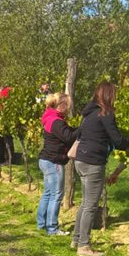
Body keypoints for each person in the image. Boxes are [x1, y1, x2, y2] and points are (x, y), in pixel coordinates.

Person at [73, 82, 129, 256]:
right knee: (90, 205)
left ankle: (76, 239)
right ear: (109, 95)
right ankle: (84, 247)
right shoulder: (106, 113)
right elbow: (117, 140)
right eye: (114, 94)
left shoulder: (89, 113)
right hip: (93, 162)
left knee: (85, 202)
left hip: (81, 159)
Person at [36, 93, 78, 237]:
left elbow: (67, 132)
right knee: (57, 195)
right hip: (54, 162)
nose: (69, 109)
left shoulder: (49, 117)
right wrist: (83, 129)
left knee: (48, 193)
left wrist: (76, 129)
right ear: (61, 106)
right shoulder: (57, 122)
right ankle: (52, 228)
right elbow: (68, 137)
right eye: (68, 106)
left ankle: (41, 223)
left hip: (45, 160)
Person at [0, 84, 14, 165]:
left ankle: (9, 159)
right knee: (1, 141)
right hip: (1, 122)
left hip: (6, 121)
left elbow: (11, 89)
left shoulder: (5, 94)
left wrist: (6, 88)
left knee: (8, 140)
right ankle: (0, 158)